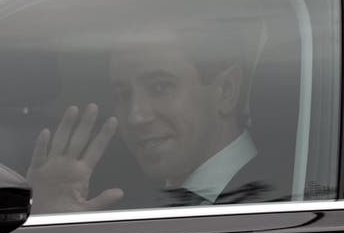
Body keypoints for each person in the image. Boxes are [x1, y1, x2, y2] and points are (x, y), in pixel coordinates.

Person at [26, 21, 269, 214]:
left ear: (225, 91)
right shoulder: (116, 200)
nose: (135, 116)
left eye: (160, 87)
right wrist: (46, 223)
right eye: (122, 95)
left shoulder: (281, 201)